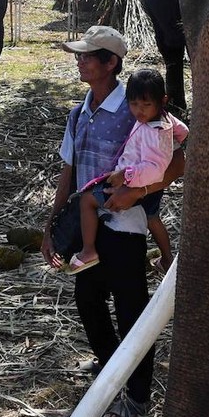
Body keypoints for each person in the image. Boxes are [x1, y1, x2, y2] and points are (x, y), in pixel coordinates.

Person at [41, 26, 184, 417]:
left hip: (126, 228)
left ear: (111, 63)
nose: (79, 60)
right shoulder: (78, 112)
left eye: (89, 55)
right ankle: (110, 368)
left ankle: (137, 401)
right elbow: (69, 171)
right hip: (90, 228)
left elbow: (181, 159)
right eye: (80, 55)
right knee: (87, 301)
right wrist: (51, 225)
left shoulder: (140, 108)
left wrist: (138, 194)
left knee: (131, 311)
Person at [69, 68, 188, 274]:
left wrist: (126, 175)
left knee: (86, 200)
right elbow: (183, 130)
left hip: (136, 183)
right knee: (152, 218)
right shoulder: (162, 119)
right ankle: (167, 258)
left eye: (146, 105)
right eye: (133, 104)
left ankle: (88, 251)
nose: (139, 111)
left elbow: (155, 170)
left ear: (163, 100)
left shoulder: (154, 131)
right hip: (143, 184)